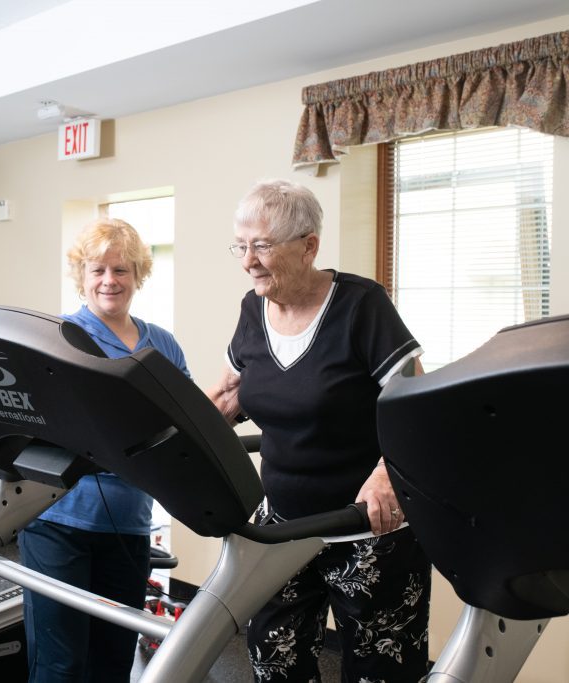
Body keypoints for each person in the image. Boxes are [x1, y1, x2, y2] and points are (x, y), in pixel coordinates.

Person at [206, 180, 431, 682]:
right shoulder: (252, 308)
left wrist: (387, 474)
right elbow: (225, 395)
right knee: (273, 657)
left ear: (309, 246)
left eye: (262, 245)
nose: (248, 261)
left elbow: (415, 406)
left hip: (368, 524)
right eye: (241, 246)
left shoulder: (361, 305)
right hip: (282, 522)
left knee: (381, 668)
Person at [18, 217, 190, 682]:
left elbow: (186, 426)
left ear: (138, 275)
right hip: (58, 521)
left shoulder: (163, 346)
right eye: (97, 270)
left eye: (120, 270)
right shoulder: (60, 337)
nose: (109, 281)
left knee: (114, 659)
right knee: (60, 662)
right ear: (82, 276)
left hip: (129, 523)